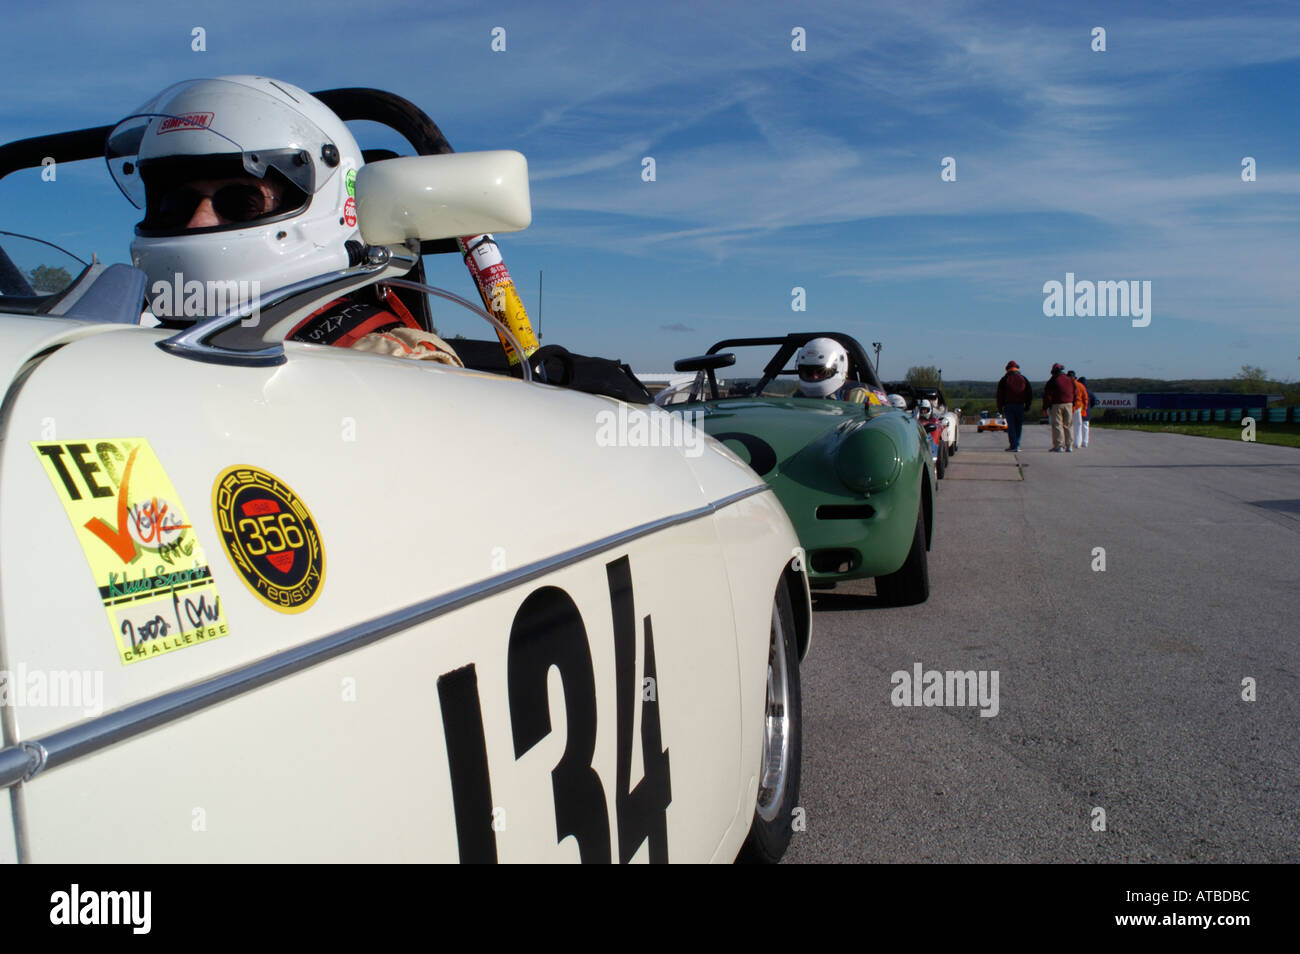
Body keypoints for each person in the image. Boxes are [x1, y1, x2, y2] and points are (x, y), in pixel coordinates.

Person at [108, 75, 462, 365]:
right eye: (173, 204)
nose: (197, 222)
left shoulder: (392, 361)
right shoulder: (117, 339)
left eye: (241, 202)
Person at [795, 338, 868, 402]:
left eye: (822, 371)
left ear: (841, 370)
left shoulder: (858, 398)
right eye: (808, 372)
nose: (815, 376)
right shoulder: (796, 399)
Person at [995, 360, 1033, 452]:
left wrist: (1000, 408)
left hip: (1008, 405)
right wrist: (1027, 405)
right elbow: (1029, 393)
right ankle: (1017, 445)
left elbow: (999, 395)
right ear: (1017, 368)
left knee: (1011, 426)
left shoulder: (1004, 379)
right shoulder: (1023, 378)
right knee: (1018, 426)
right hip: (1020, 405)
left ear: (1007, 369)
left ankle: (1013, 445)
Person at [1043, 363, 1075, 452]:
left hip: (1056, 404)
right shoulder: (1069, 379)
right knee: (1068, 425)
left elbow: (1047, 395)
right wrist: (1074, 404)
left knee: (1057, 425)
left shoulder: (1053, 380)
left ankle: (1059, 446)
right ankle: (1069, 446)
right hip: (1069, 404)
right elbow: (1074, 392)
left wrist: (1045, 407)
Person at [1070, 371, 1090, 449]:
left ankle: (1068, 443)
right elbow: (1085, 398)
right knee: (1078, 426)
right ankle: (1077, 443)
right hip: (1078, 407)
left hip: (1069, 407)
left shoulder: (1068, 385)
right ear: (1075, 377)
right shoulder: (1081, 386)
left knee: (1069, 426)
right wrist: (1084, 408)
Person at [1077, 375, 1094, 448]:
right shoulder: (1089, 392)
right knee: (1085, 427)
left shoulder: (1078, 390)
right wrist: (1090, 406)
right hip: (1086, 411)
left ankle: (1078, 442)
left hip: (1078, 410)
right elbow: (1094, 400)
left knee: (1077, 427)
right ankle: (1085, 442)